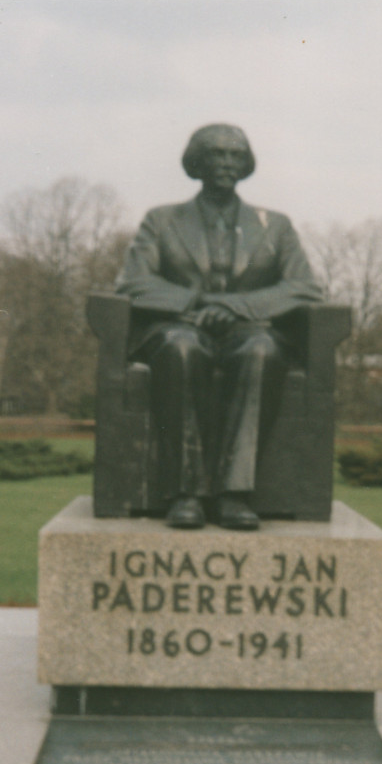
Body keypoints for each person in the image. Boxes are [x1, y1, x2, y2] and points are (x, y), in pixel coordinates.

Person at [116, 123, 323, 530]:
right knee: (180, 348)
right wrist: (197, 301)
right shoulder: (161, 220)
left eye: (236, 155)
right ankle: (186, 493)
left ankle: (234, 494)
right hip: (180, 324)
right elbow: (134, 281)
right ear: (196, 162)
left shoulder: (275, 226)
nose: (227, 163)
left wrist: (239, 305)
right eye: (217, 154)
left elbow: (304, 287)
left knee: (262, 352)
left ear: (247, 164)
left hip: (248, 328)